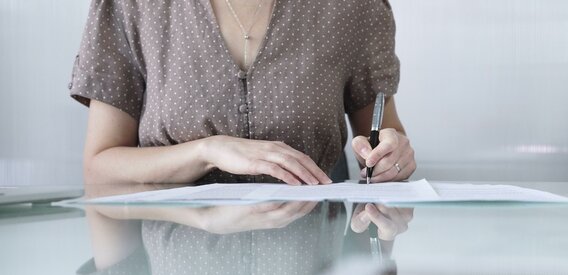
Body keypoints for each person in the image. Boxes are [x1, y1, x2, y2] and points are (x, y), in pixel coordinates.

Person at [70, 0, 416, 185]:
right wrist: (207, 151)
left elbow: (386, 134)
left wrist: (391, 155)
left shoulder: (355, 8)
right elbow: (100, 167)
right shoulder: (131, 6)